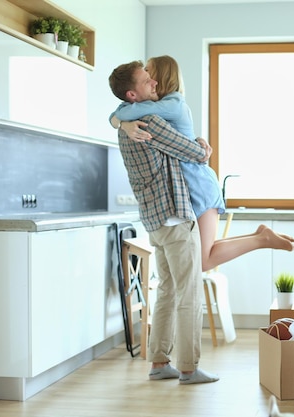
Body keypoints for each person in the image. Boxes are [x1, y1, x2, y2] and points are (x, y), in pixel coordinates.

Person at [110, 56, 294, 273]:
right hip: (190, 186)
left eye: (150, 73)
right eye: (146, 77)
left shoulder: (171, 104)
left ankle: (261, 239)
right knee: (202, 255)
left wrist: (120, 122)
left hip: (198, 184)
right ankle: (260, 236)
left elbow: (122, 111)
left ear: (161, 77)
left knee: (203, 261)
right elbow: (122, 112)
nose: (150, 79)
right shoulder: (162, 106)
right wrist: (121, 123)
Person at [109, 61, 218, 385]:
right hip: (174, 218)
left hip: (154, 222)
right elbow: (196, 154)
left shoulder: (125, 126)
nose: (153, 83)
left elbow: (117, 117)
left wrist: (118, 121)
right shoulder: (151, 121)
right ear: (133, 94)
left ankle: (159, 362)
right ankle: (188, 367)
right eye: (146, 81)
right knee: (188, 292)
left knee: (169, 290)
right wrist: (200, 144)